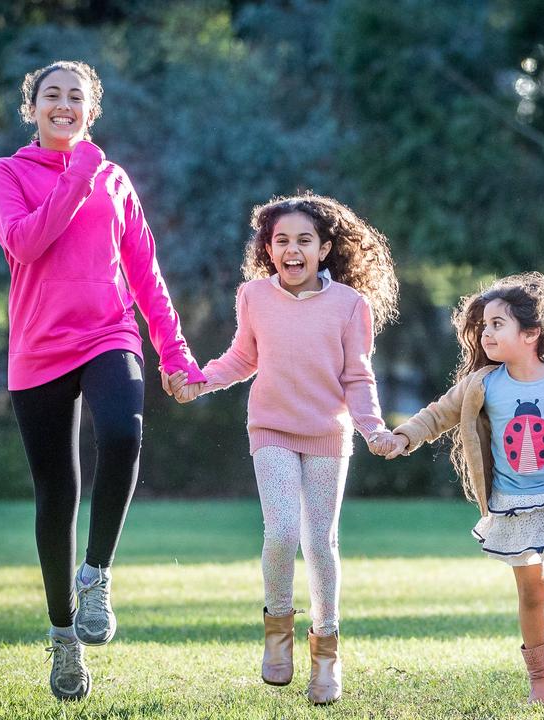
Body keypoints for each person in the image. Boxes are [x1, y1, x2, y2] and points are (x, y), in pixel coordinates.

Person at [0, 60, 205, 701]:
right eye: (51, 95)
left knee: (123, 431)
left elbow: (145, 271)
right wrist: (75, 176)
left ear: (92, 109)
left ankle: (98, 573)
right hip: (38, 349)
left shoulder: (114, 178)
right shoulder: (9, 173)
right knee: (57, 495)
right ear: (33, 108)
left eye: (75, 96)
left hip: (109, 334)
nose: (63, 104)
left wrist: (174, 353)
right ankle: (62, 636)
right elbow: (23, 244)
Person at [168, 192, 400, 705]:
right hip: (270, 428)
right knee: (280, 531)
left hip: (326, 435)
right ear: (268, 249)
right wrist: (198, 381)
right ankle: (277, 633)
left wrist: (373, 428)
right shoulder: (253, 297)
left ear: (324, 248)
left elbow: (357, 376)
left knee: (320, 543)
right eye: (281, 241)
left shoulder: (349, 306)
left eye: (303, 241)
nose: (292, 250)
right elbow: (241, 357)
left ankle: (326, 655)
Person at [381, 272, 544, 707]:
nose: (486, 333)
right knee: (531, 592)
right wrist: (403, 437)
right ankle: (541, 680)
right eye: (484, 325)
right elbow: (437, 414)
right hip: (513, 502)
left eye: (497, 324)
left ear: (531, 333)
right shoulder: (482, 384)